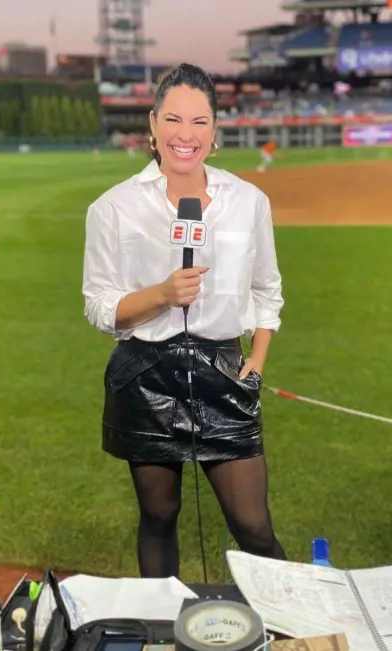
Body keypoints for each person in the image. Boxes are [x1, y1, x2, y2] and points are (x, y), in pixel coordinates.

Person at [81, 63, 287, 580]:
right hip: (145, 375)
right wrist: (162, 295)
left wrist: (255, 362)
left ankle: (291, 631)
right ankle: (160, 626)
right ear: (152, 125)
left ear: (215, 131)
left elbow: (267, 291)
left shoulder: (248, 203)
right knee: (159, 514)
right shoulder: (112, 209)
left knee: (253, 524)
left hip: (224, 372)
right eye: (173, 120)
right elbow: (100, 306)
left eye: (199, 122)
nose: (185, 135)